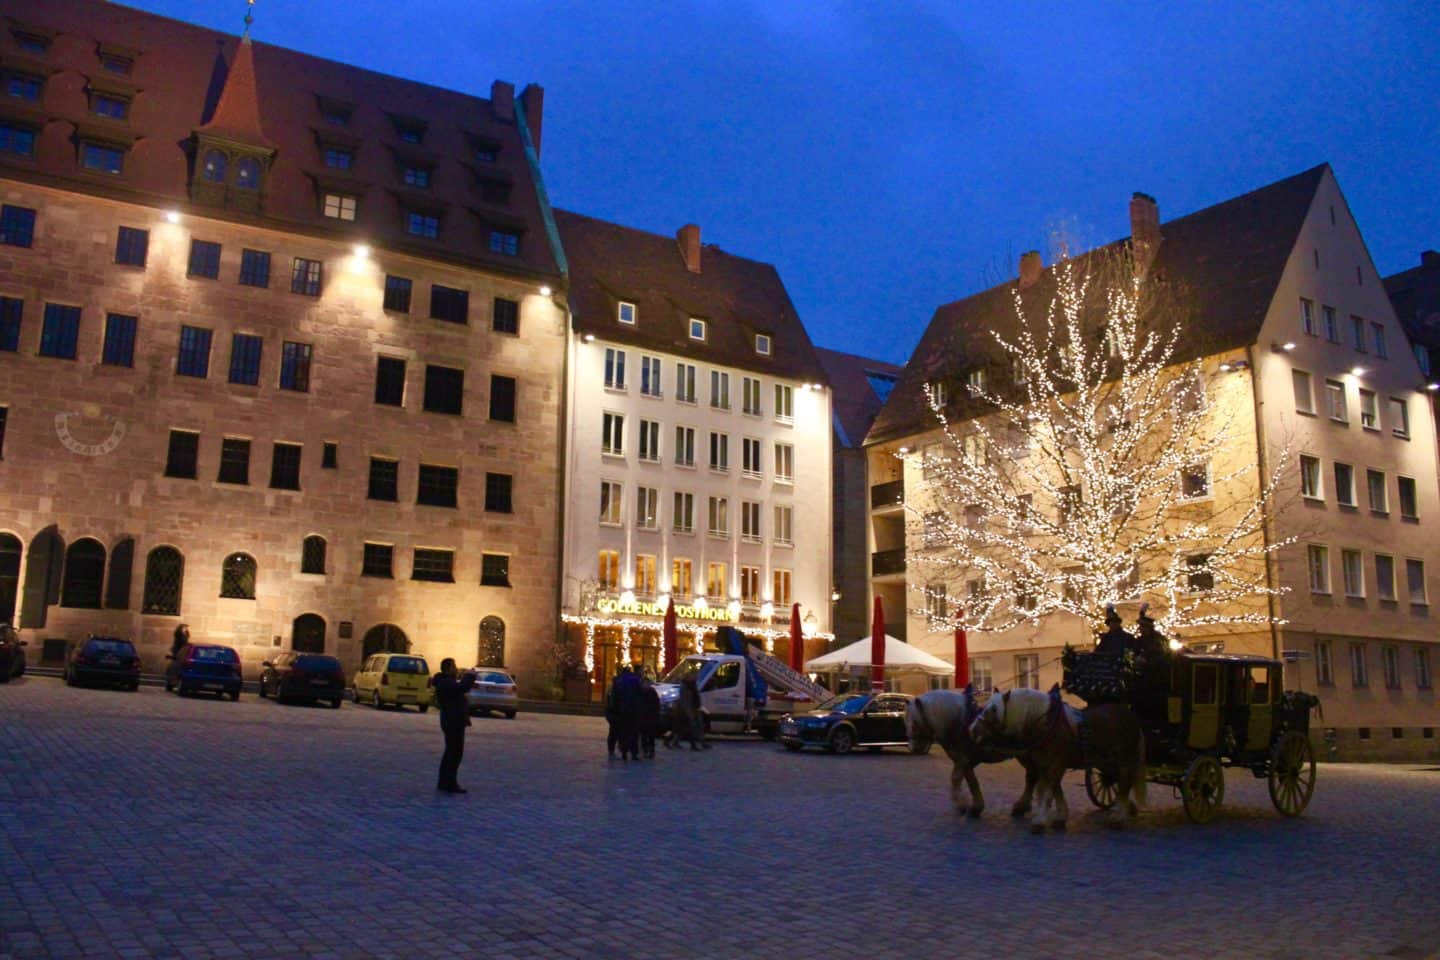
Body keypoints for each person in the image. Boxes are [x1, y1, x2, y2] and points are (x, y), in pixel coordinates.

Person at [432, 658, 477, 794]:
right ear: (448, 668)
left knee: (451, 752)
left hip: (452, 720)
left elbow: (459, 689)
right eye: (454, 666)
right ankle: (449, 782)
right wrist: (469, 676)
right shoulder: (446, 683)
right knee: (454, 753)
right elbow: (461, 688)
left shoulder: (445, 681)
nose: (456, 669)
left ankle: (444, 781)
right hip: (453, 722)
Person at [613, 664, 643, 761]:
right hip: (634, 709)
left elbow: (615, 696)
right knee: (633, 732)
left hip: (623, 709)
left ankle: (624, 751)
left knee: (624, 731)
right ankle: (633, 752)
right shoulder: (635, 679)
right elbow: (640, 692)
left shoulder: (619, 680)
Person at [638, 669, 661, 759]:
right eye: (644, 683)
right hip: (643, 717)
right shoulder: (640, 693)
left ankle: (651, 750)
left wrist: (656, 714)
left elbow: (656, 705)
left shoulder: (652, 693)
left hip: (650, 717)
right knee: (643, 735)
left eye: (647, 683)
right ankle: (645, 750)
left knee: (650, 735)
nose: (645, 685)